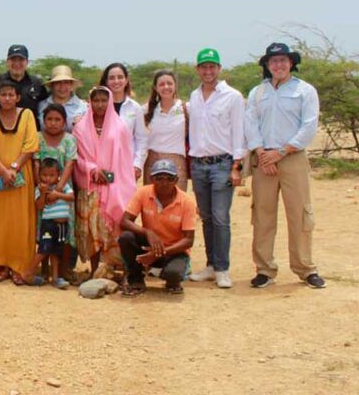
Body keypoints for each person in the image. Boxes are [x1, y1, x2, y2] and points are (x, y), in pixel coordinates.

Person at [245, 42, 325, 289]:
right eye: (273, 61)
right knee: (262, 215)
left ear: (291, 63)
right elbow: (250, 124)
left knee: (300, 215)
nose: (278, 65)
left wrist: (280, 153)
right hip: (264, 161)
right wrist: (262, 152)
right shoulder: (257, 92)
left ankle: (305, 268)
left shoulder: (305, 91)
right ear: (267, 66)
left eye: (283, 60)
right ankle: (265, 269)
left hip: (292, 159)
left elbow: (309, 126)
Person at [187, 48, 246, 289]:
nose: (208, 71)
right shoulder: (194, 96)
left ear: (219, 68)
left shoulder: (232, 96)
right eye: (204, 66)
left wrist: (236, 167)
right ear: (197, 69)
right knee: (207, 218)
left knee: (221, 217)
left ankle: (223, 268)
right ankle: (211, 265)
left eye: (212, 66)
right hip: (199, 165)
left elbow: (239, 133)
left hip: (222, 164)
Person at [73, 86, 137, 276]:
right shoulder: (80, 127)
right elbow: (77, 156)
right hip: (90, 187)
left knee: (112, 229)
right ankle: (94, 270)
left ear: (109, 102)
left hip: (114, 187)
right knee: (92, 230)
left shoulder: (120, 127)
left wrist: (109, 178)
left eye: (103, 100)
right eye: (96, 100)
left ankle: (115, 269)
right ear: (89, 102)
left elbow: (125, 159)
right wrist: (92, 170)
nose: (100, 104)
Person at [0, 82, 39, 284]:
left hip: (21, 177)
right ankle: (1, 264)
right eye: (3, 94)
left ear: (17, 97)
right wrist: (2, 170)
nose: (7, 98)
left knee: (21, 222)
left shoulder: (27, 116)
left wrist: (13, 168)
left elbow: (31, 145)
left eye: (10, 94)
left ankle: (20, 266)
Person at [119, 159, 197, 296]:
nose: (164, 183)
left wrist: (160, 253)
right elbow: (125, 221)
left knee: (173, 274)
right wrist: (147, 231)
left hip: (174, 251)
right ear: (151, 179)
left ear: (177, 180)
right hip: (150, 246)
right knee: (126, 237)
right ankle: (136, 279)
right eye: (159, 178)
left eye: (169, 179)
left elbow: (188, 240)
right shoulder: (143, 193)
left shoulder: (187, 202)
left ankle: (173, 280)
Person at [35, 103, 78, 280]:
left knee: (65, 230)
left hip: (63, 191)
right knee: (43, 228)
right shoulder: (37, 138)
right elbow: (36, 162)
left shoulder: (69, 139)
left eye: (57, 119)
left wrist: (58, 189)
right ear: (43, 121)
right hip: (43, 189)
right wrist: (42, 187)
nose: (53, 123)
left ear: (64, 121)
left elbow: (70, 163)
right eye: (49, 119)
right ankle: (44, 269)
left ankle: (64, 269)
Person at [100, 63, 148, 180]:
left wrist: (137, 165)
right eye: (111, 78)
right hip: (103, 168)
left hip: (127, 168)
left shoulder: (135, 107)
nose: (116, 81)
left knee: (126, 198)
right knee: (105, 195)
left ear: (126, 80)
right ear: (106, 81)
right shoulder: (98, 106)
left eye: (120, 77)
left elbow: (141, 139)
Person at [142, 69, 188, 190]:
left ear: (175, 85)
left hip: (177, 165)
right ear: (155, 88)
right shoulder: (145, 110)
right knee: (152, 205)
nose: (166, 87)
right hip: (152, 164)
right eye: (161, 84)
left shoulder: (186, 108)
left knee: (176, 205)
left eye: (169, 83)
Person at [32, 159, 75, 289]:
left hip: (62, 226)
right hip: (48, 224)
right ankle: (28, 272)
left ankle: (55, 278)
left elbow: (71, 197)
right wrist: (44, 194)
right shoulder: (39, 189)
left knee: (56, 252)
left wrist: (57, 194)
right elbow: (39, 206)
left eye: (52, 175)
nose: (48, 179)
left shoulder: (65, 186)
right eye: (44, 175)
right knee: (43, 250)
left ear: (58, 175)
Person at [0, 44, 48, 121]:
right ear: (7, 62)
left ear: (27, 62)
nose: (17, 63)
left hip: (30, 130)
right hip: (1, 130)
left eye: (21, 60)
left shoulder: (37, 83)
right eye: (13, 60)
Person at [37, 65, 87, 132]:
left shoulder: (83, 107)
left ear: (71, 85)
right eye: (58, 83)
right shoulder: (41, 106)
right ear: (52, 85)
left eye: (66, 82)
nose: (62, 86)